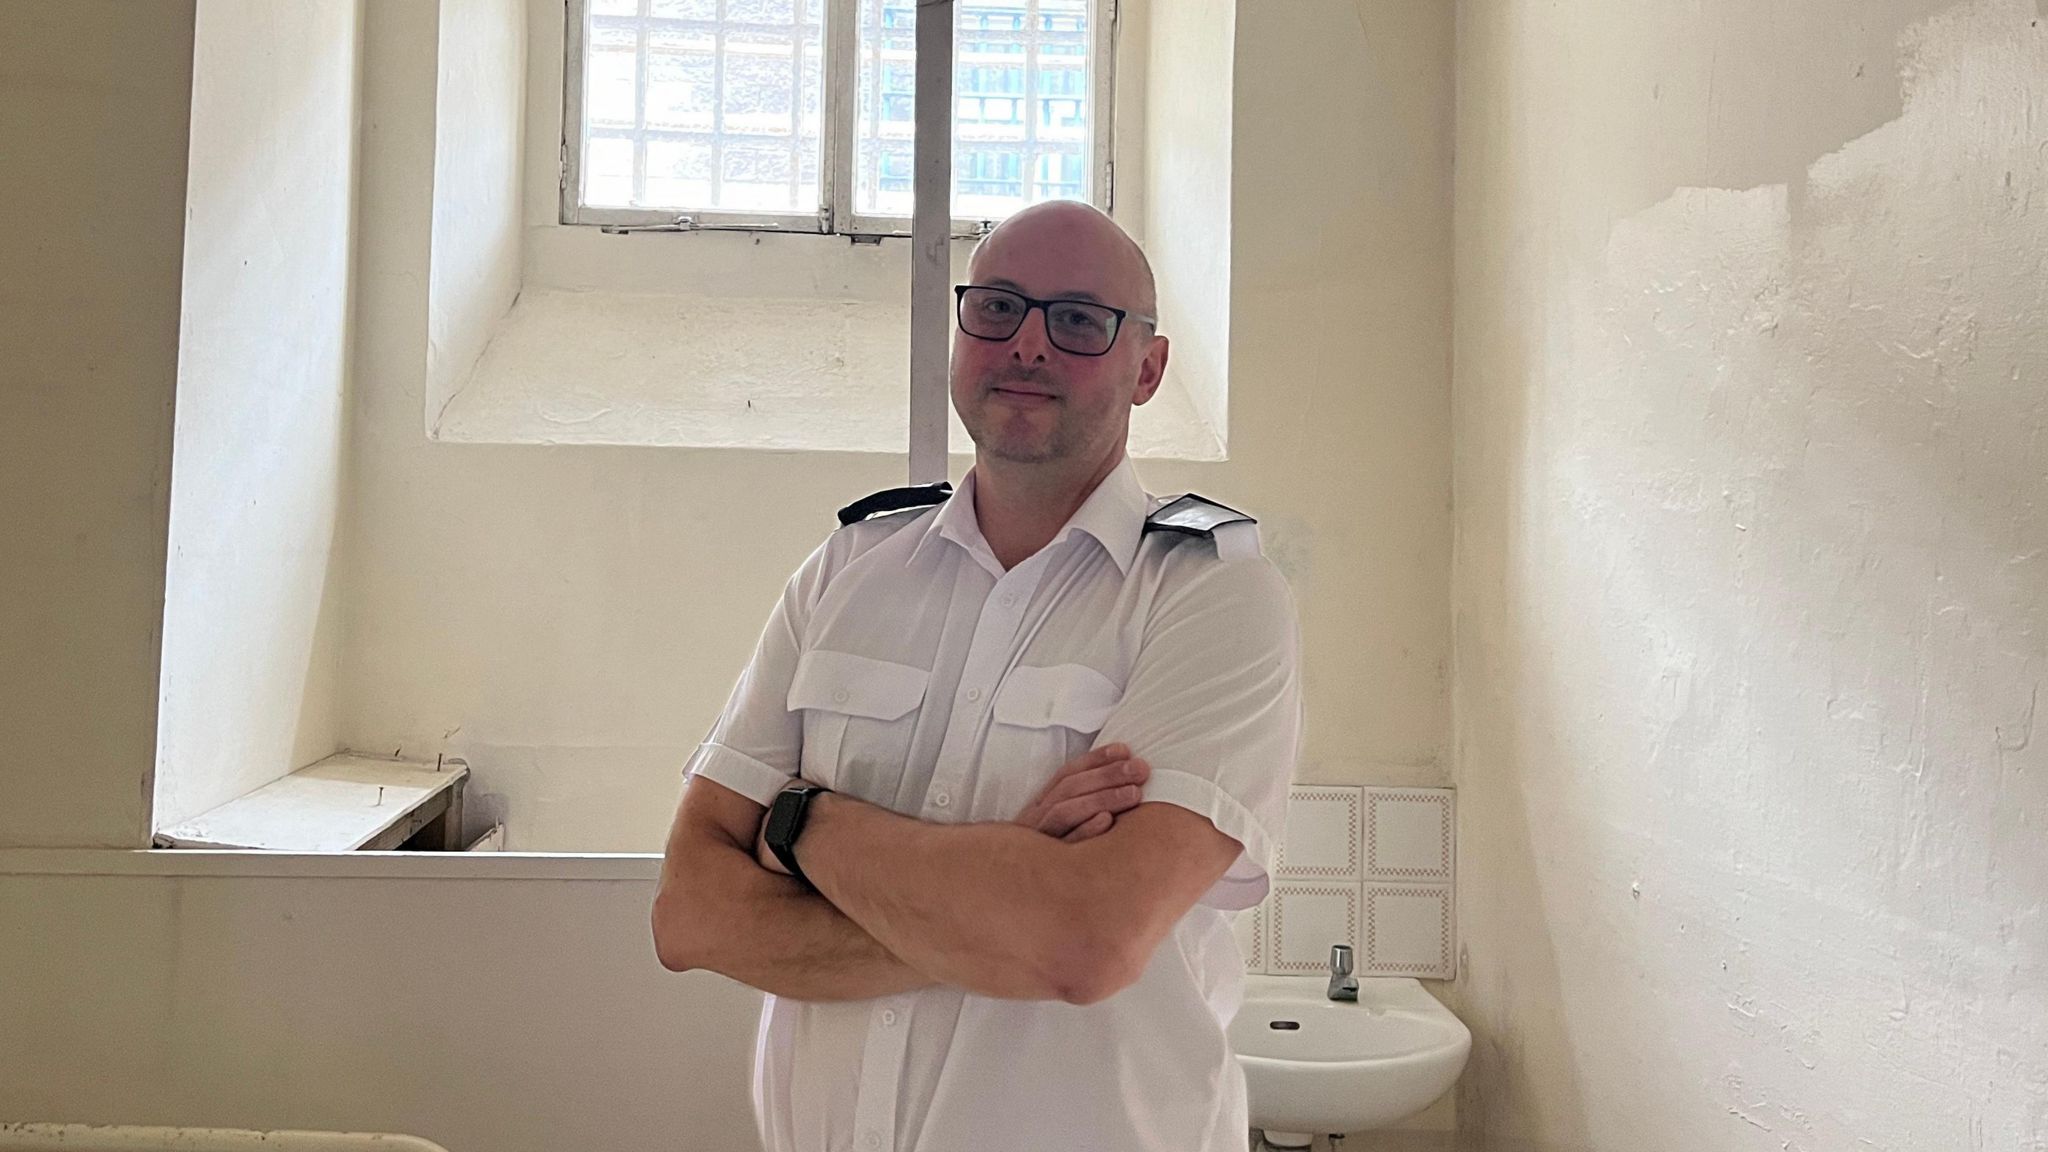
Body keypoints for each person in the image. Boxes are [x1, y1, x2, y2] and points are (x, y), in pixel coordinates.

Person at [652, 200, 1302, 1152]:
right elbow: (690, 914)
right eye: (997, 306)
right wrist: (1001, 880)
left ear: (1148, 368)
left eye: (1079, 319)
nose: (1028, 344)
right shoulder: (846, 572)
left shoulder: (1214, 597)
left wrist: (798, 824)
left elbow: (1085, 941)